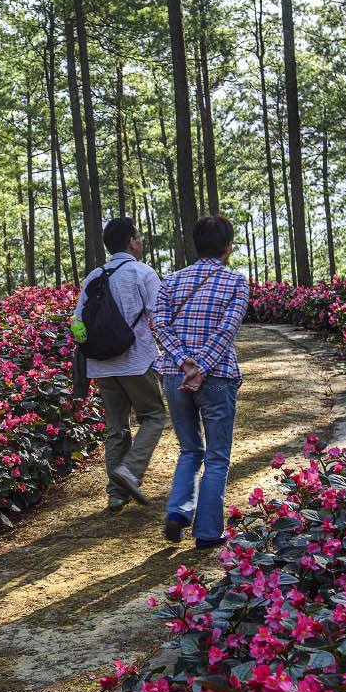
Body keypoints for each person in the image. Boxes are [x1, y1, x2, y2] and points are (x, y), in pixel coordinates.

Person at [152, 215, 248, 548]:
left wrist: (184, 362)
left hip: (173, 374)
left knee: (190, 449)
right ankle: (207, 532)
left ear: (196, 245)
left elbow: (160, 324)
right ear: (228, 247)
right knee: (217, 457)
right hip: (217, 376)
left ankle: (178, 511)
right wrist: (201, 367)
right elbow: (226, 331)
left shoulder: (171, 280)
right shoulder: (235, 281)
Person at [72, 218, 166, 511]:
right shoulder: (142, 273)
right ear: (131, 241)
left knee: (116, 428)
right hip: (136, 361)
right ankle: (130, 471)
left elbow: (77, 322)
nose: (140, 241)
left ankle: (115, 494)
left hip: (101, 364)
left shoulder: (94, 276)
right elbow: (160, 316)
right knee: (153, 416)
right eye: (138, 237)